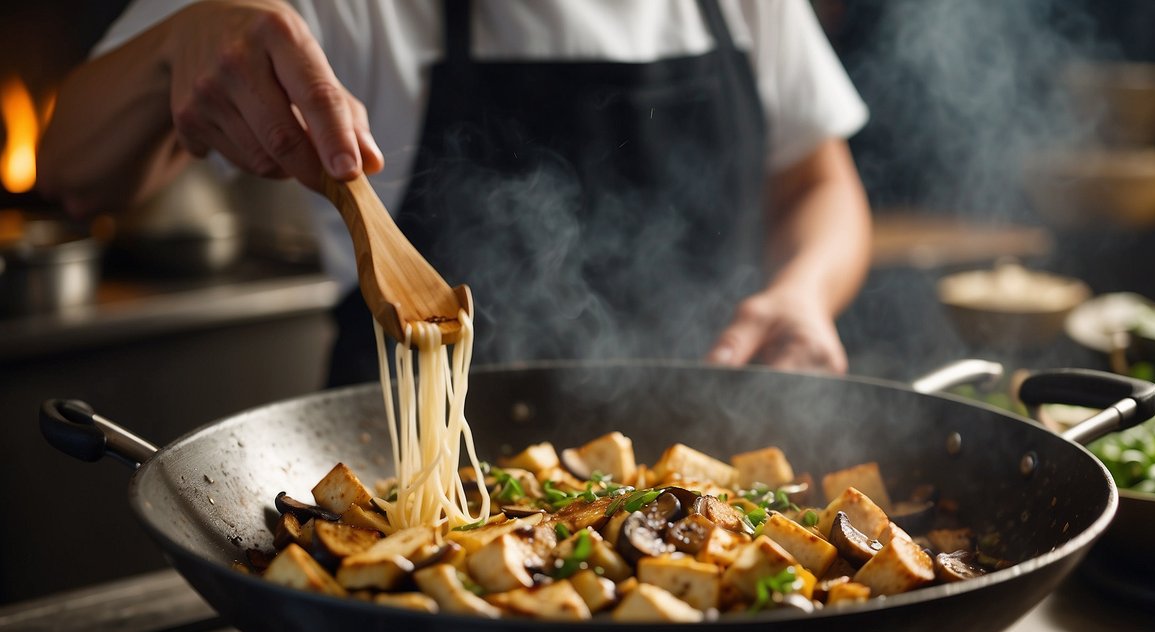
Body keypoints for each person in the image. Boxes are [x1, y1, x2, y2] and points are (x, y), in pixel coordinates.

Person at [39, 0, 871, 383]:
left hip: (709, 441)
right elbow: (76, 173)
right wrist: (172, 49)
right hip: (394, 485)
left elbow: (817, 181)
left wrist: (803, 293)